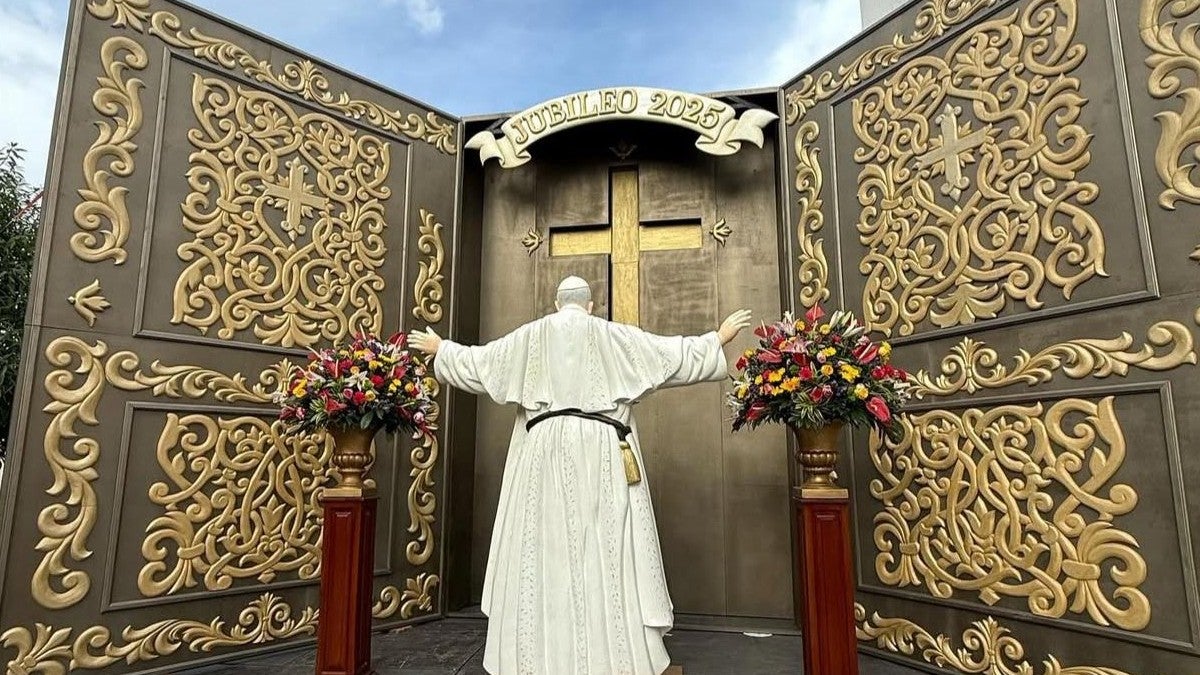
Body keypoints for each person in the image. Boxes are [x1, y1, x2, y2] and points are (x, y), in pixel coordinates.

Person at [409, 275, 752, 675]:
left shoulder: (531, 335)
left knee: (544, 549)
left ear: (557, 304)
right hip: (602, 452)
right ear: (590, 306)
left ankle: (537, 659)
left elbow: (482, 364)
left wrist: (442, 349)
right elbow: (668, 357)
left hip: (544, 454)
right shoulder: (612, 335)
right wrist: (716, 338)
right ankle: (612, 660)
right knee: (606, 549)